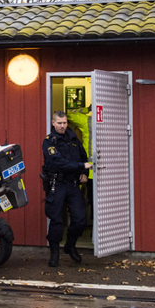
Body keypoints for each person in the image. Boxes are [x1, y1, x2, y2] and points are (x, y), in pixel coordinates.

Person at [42, 110, 93, 267]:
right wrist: (80, 166)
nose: (62, 126)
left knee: (80, 219)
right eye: (59, 123)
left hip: (72, 184)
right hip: (56, 184)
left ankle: (70, 246)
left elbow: (84, 156)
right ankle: (54, 253)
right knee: (56, 220)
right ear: (53, 123)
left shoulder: (73, 139)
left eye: (64, 123)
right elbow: (58, 163)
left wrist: (84, 172)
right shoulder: (49, 141)